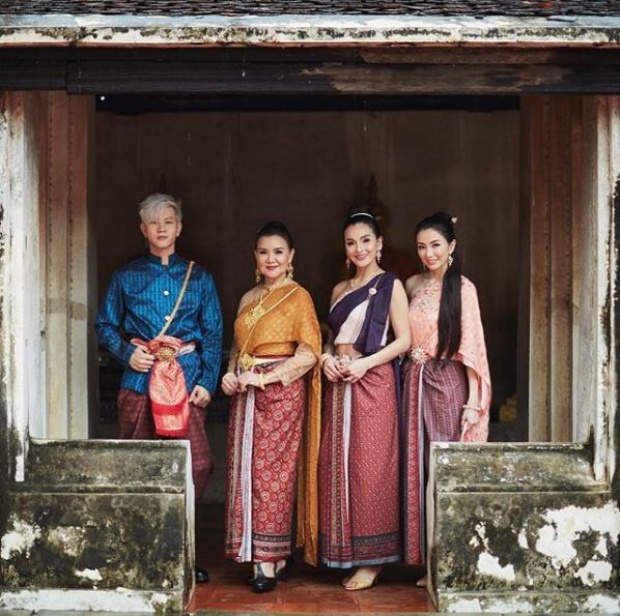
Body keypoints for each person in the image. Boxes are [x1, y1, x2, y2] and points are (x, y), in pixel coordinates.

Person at [95, 193, 223, 584]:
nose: (162, 228)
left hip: (185, 383)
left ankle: (180, 551)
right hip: (138, 382)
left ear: (179, 227)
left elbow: (214, 332)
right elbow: (104, 325)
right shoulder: (126, 277)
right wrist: (125, 354)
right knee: (139, 465)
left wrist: (207, 382)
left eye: (169, 221)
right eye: (154, 223)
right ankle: (142, 556)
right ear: (143, 230)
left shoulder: (199, 278)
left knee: (196, 465)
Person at [221, 221, 322, 593]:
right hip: (245, 394)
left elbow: (309, 354)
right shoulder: (248, 298)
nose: (271, 259)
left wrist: (264, 378)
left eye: (278, 252)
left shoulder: (299, 297)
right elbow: (238, 350)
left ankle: (269, 558)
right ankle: (264, 554)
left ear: (291, 256)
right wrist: (230, 375)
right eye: (264, 252)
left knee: (272, 475)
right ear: (255, 256)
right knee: (245, 472)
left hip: (280, 393)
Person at [318, 209, 411, 591]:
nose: (359, 249)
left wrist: (365, 364)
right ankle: (344, 551)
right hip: (339, 381)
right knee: (337, 464)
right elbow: (329, 334)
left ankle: (373, 562)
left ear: (379, 244)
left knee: (371, 468)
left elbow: (404, 340)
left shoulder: (391, 285)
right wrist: (325, 358)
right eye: (351, 242)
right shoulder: (339, 290)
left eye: (366, 241)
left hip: (373, 381)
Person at [402, 211, 491, 583]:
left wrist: (473, 402)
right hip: (413, 381)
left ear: (451, 246)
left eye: (436, 245)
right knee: (416, 466)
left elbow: (471, 346)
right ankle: (424, 557)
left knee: (442, 467)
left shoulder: (463, 289)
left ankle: (448, 557)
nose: (429, 253)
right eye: (422, 247)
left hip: (447, 382)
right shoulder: (411, 284)